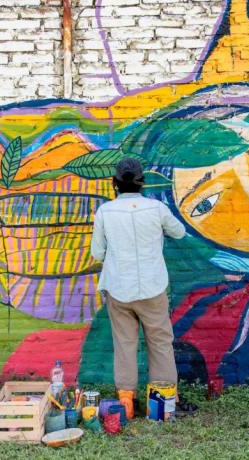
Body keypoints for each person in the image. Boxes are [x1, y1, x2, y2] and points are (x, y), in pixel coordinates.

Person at [90, 157, 190, 419]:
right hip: (152, 287)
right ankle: (164, 403)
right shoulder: (156, 209)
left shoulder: (105, 212)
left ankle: (126, 404)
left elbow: (98, 252)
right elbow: (179, 232)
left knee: (124, 343)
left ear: (115, 184)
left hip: (118, 288)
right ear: (142, 182)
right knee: (160, 342)